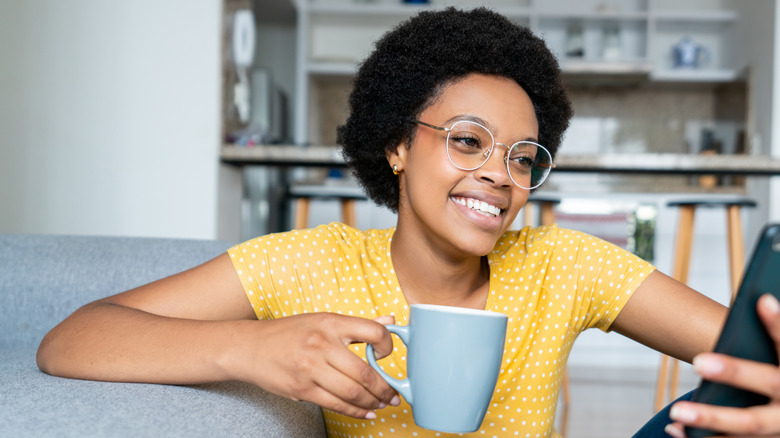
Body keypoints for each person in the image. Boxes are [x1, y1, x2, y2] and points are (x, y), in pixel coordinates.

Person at [36, 7, 780, 437]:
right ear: (397, 146)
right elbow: (73, 339)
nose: (500, 174)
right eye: (467, 141)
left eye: (523, 158)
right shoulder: (312, 266)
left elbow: (747, 357)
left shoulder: (565, 265)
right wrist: (252, 347)